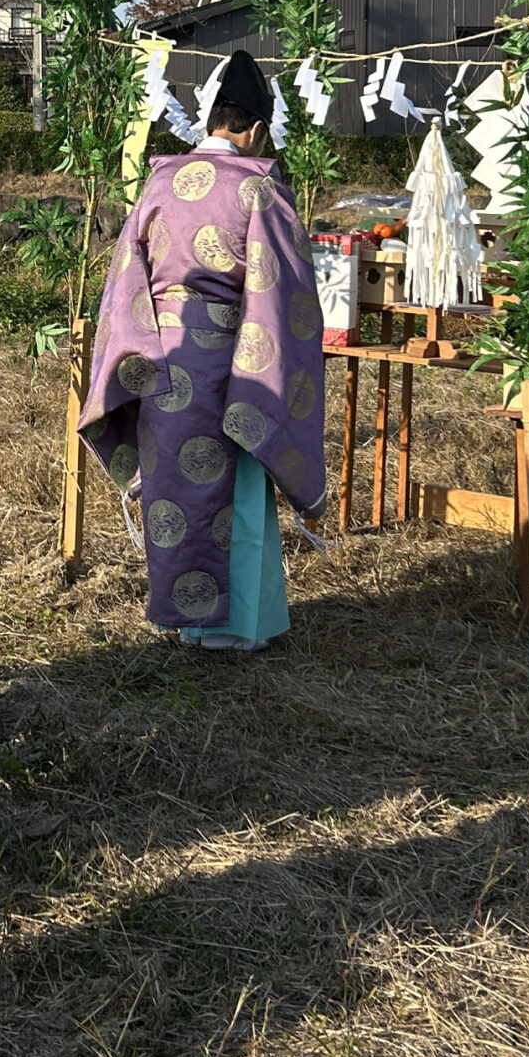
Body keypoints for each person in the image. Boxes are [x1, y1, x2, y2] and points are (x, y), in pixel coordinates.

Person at [79, 50, 330, 652]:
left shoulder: (160, 179)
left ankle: (187, 623)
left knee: (177, 492)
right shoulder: (260, 188)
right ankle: (237, 628)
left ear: (212, 120)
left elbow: (124, 282)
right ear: (258, 129)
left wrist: (134, 357)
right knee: (236, 494)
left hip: (163, 360)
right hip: (234, 367)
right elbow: (284, 295)